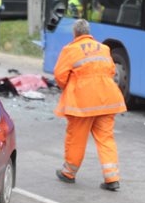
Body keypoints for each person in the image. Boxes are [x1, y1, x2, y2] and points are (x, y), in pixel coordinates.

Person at [53, 19, 127, 191]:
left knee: (76, 138)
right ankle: (112, 178)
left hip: (82, 103)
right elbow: (111, 71)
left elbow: (60, 75)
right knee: (106, 139)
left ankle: (68, 173)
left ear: (75, 34)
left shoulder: (70, 50)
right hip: (107, 99)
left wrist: (70, 87)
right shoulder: (104, 48)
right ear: (88, 32)